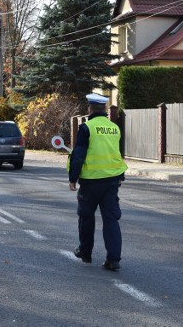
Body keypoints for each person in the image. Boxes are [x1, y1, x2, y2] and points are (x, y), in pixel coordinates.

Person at [69, 93, 128, 271]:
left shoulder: (86, 128)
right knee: (111, 219)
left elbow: (79, 155)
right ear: (104, 110)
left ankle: (85, 252)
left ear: (89, 109)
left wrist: (73, 179)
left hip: (91, 181)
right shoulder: (114, 127)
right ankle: (113, 259)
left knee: (86, 217)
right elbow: (117, 153)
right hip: (112, 180)